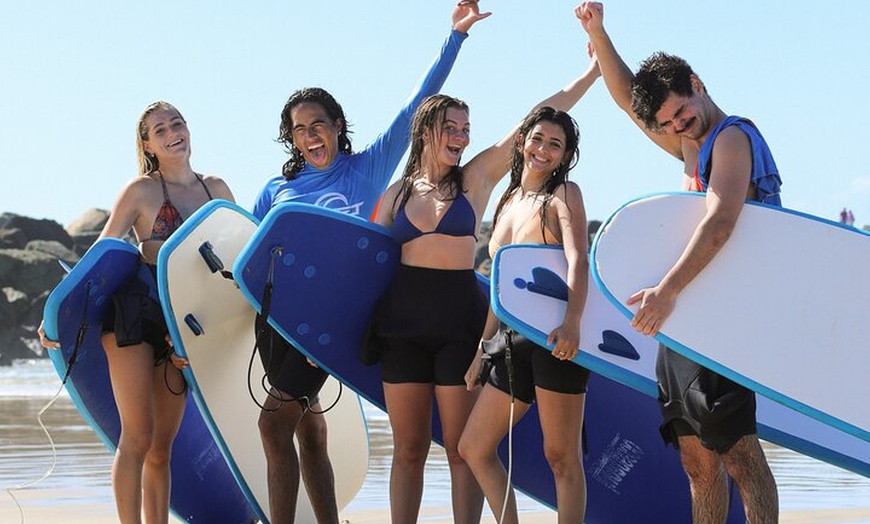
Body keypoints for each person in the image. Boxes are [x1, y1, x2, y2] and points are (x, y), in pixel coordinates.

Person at [249, 3, 491, 523]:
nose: (311, 136)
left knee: (272, 425)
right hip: (284, 323)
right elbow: (249, 255)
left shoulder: (368, 168)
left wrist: (455, 39)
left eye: (319, 124)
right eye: (299, 129)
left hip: (334, 323)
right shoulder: (277, 190)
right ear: (290, 137)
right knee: (309, 429)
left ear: (338, 126)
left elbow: (416, 106)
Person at [371, 37, 600, 524]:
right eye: (450, 127)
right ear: (425, 130)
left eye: (466, 129)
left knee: (461, 449)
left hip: (459, 324)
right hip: (403, 327)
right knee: (408, 449)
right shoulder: (395, 195)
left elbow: (534, 122)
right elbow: (360, 260)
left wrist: (589, 78)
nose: (461, 136)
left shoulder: (475, 182)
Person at [578, 3, 780, 523]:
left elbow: (720, 224)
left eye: (681, 114)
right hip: (686, 318)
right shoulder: (693, 143)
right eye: (667, 123)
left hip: (721, 315)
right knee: (695, 459)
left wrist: (665, 292)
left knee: (739, 452)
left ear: (696, 82)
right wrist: (600, 35)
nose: (677, 128)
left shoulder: (731, 138)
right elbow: (630, 103)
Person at [39, 101, 235, 524]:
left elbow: (232, 259)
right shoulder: (141, 191)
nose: (171, 133)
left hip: (182, 324)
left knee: (162, 447)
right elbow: (101, 255)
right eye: (159, 129)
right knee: (137, 439)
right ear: (147, 144)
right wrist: (57, 313)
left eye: (176, 123)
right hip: (132, 315)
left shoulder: (216, 190)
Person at [459, 105, 592, 524]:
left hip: (555, 339)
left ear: (565, 155)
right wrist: (483, 349)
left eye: (556, 144)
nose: (543, 149)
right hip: (511, 341)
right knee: (474, 447)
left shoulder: (564, 195)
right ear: (522, 141)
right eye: (538, 139)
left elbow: (579, 261)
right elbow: (503, 287)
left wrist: (572, 322)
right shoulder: (510, 197)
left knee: (561, 457)